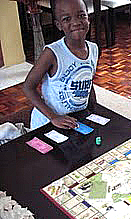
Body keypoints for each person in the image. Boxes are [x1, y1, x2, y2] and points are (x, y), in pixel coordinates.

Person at [23, 0, 99, 130]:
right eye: (67, 19)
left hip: (76, 118)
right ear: (59, 25)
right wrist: (53, 117)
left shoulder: (94, 49)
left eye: (81, 16)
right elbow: (28, 87)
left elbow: (88, 80)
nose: (76, 22)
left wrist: (94, 106)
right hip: (48, 121)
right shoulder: (52, 53)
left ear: (88, 18)